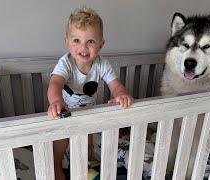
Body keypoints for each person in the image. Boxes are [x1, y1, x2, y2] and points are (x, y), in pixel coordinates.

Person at [47, 6, 133, 180]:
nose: (83, 47)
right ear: (67, 42)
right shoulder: (66, 64)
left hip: (88, 115)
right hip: (64, 113)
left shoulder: (102, 64)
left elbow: (115, 85)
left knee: (88, 146)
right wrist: (56, 101)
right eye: (77, 40)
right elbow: (55, 83)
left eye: (91, 41)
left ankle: (84, 168)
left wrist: (121, 94)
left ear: (101, 44)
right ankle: (56, 166)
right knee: (60, 143)